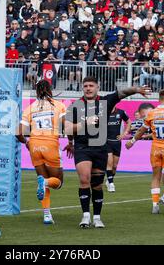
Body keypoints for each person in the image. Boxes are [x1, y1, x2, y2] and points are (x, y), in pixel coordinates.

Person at [64, 77, 150, 228]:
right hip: (83, 148)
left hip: (100, 148)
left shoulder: (105, 101)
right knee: (84, 179)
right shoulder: (75, 106)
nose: (88, 88)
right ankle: (85, 216)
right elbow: (68, 129)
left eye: (91, 86)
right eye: (85, 86)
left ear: (98, 87)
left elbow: (122, 93)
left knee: (97, 185)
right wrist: (81, 129)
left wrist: (136, 90)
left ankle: (97, 217)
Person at [17, 80, 72, 225]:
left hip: (34, 145)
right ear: (50, 90)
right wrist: (71, 142)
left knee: (43, 181)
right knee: (57, 182)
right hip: (50, 144)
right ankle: (45, 182)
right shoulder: (58, 105)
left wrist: (26, 142)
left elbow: (18, 133)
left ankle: (47, 215)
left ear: (36, 91)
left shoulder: (30, 108)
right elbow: (67, 127)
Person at [126, 89, 164, 216]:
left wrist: (132, 141)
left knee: (156, 177)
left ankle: (155, 205)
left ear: (159, 99)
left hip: (155, 147)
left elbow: (141, 130)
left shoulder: (152, 113)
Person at [105, 106, 130, 192]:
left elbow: (129, 122)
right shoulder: (103, 112)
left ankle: (109, 179)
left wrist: (124, 133)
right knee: (109, 163)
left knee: (114, 167)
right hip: (106, 142)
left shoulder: (121, 112)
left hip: (117, 142)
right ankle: (111, 184)